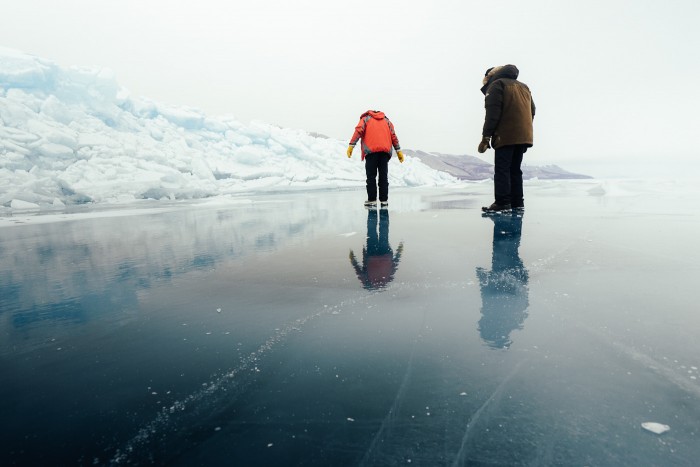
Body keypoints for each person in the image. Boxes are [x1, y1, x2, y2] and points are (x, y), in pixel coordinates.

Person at [478, 65, 535, 212]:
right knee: (515, 169)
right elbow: (532, 110)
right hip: (523, 136)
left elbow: (492, 114)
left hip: (506, 135)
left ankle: (502, 202)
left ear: (490, 77)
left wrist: (485, 137)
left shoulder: (497, 85)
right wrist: (525, 131)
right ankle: (517, 203)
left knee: (502, 169)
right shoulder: (524, 86)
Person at [476, 211, 529, 349]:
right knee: (509, 250)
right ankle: (512, 216)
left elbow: (486, 293)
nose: (481, 320)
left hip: (507, 275)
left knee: (506, 250)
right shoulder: (515, 318)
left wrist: (482, 277)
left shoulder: (510, 317)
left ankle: (508, 217)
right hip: (513, 277)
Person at [347, 110, 405, 207]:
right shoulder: (386, 121)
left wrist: (351, 145)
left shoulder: (366, 119)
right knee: (383, 177)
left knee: (371, 176)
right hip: (384, 153)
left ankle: (372, 200)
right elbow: (393, 136)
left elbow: (358, 130)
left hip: (371, 152)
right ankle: (384, 201)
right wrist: (398, 150)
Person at [349, 208, 403, 290]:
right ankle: (372, 211)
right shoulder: (367, 282)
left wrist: (399, 251)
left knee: (384, 232)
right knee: (372, 232)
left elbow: (394, 265)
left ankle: (383, 210)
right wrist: (352, 259)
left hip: (384, 255)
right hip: (372, 256)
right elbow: (358, 271)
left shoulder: (387, 280)